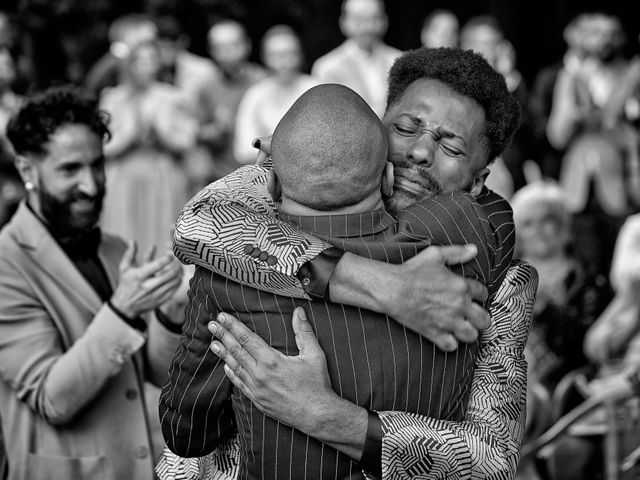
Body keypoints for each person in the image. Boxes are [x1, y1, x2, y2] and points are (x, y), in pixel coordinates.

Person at [171, 47, 535, 478]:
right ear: (378, 125)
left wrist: (323, 414)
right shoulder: (284, 178)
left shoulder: (499, 276)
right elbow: (195, 225)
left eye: (450, 146)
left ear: (478, 182)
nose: (419, 153)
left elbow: (491, 459)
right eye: (405, 127)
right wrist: (376, 282)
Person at [0, 86, 185, 479]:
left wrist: (171, 311)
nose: (92, 184)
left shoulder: (116, 249)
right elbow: (53, 397)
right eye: (69, 170)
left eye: (97, 165)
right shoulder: (5, 263)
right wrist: (124, 309)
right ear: (26, 170)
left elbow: (154, 374)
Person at [99, 39, 198, 255]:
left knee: (161, 236)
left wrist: (162, 132)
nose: (145, 66)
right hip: (123, 177)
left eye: (151, 59)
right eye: (139, 60)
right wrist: (131, 133)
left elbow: (186, 141)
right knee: (124, 236)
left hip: (161, 174)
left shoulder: (173, 96)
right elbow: (105, 147)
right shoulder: (114, 98)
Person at [193, 19, 267, 183]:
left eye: (233, 45)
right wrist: (216, 129)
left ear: (247, 45)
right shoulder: (205, 86)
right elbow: (196, 133)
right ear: (211, 50)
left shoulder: (263, 82)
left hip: (262, 176)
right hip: (221, 178)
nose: (227, 53)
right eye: (219, 47)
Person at [233, 25, 318, 164]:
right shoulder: (255, 95)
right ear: (264, 56)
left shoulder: (315, 89)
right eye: (275, 55)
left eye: (289, 54)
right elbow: (243, 150)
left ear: (300, 54)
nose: (283, 62)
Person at [310, 0, 401, 118]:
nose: (368, 27)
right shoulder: (328, 68)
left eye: (375, 18)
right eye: (359, 20)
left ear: (385, 20)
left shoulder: (400, 61)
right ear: (344, 22)